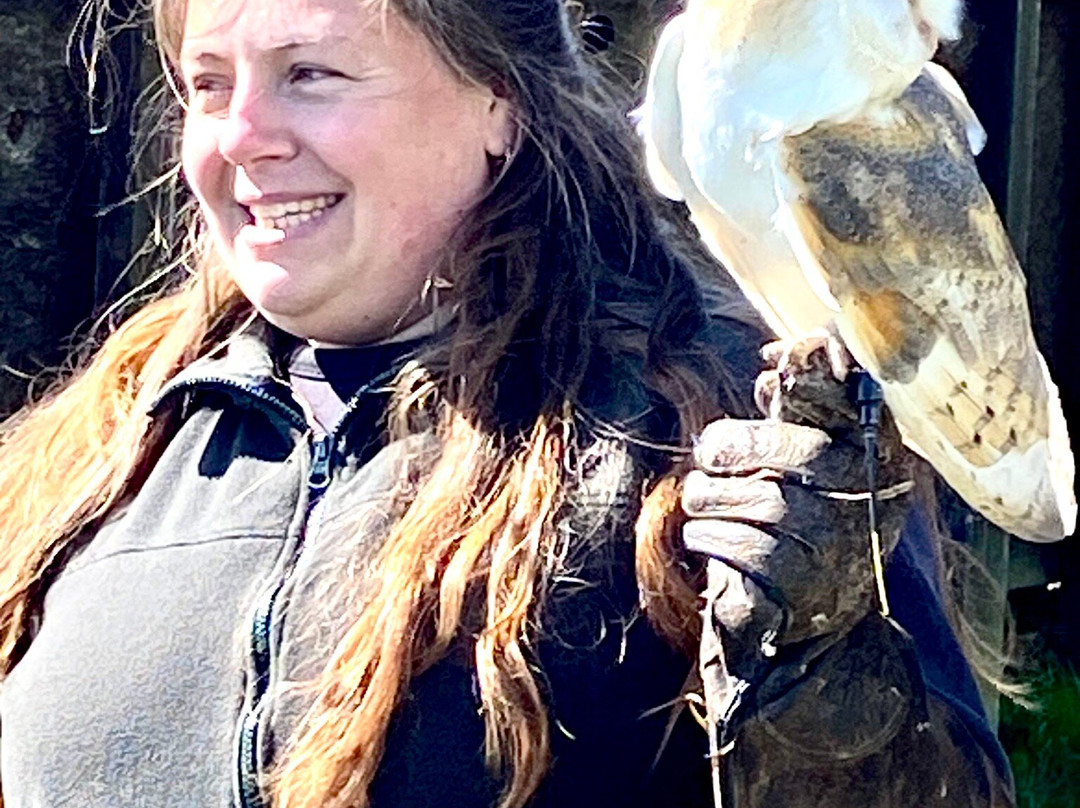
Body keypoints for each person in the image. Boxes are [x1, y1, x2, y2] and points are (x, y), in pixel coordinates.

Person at [0, 0, 1014, 806]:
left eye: (310, 73)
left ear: (497, 100)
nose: (242, 136)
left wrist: (823, 684)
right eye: (208, 86)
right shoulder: (93, 470)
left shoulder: (708, 424)